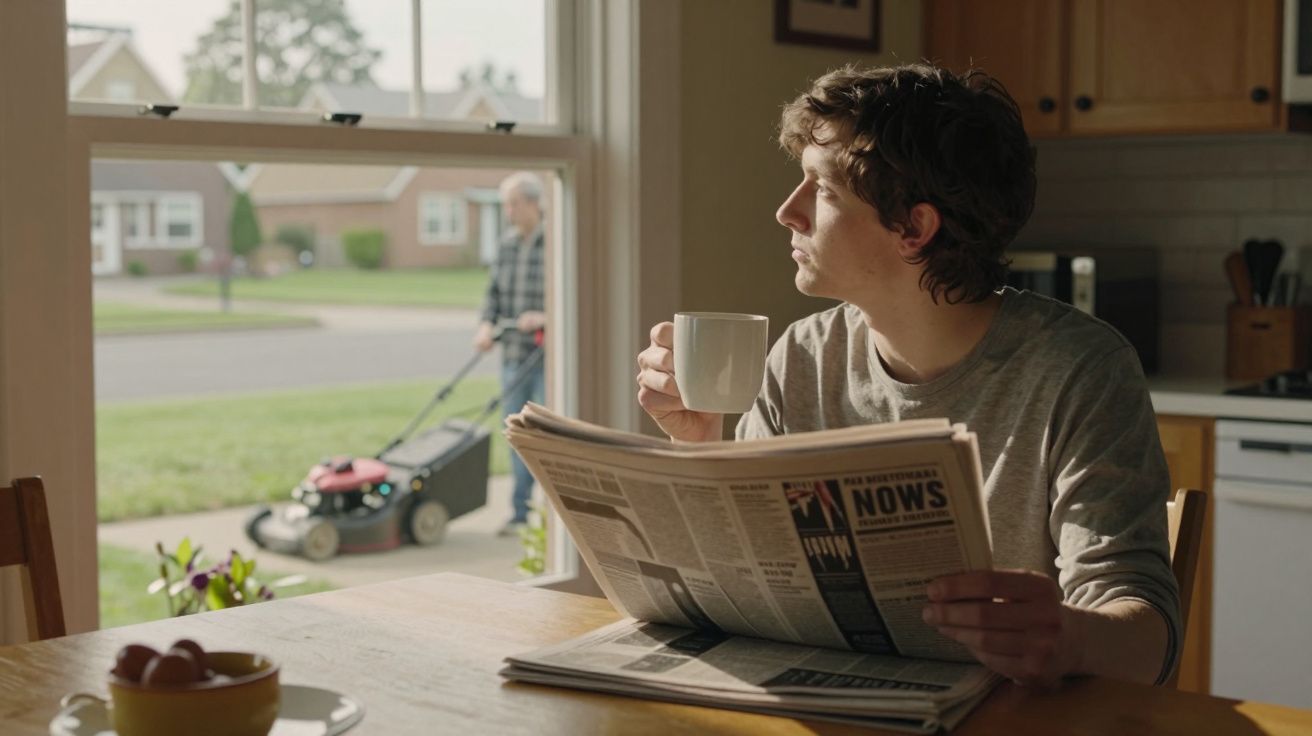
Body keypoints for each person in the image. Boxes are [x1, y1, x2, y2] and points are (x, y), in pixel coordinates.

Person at [635, 64, 1180, 688]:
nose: (788, 211)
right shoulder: (803, 357)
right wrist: (697, 444)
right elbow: (750, 584)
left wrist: (1072, 636)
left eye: (822, 189)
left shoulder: (1080, 370)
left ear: (914, 228)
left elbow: (1148, 638)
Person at [475, 171, 547, 537]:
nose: (508, 211)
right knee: (516, 435)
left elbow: (575, 296)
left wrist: (547, 318)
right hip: (513, 356)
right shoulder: (505, 245)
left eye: (513, 203)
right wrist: (486, 325)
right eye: (506, 204)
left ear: (534, 203)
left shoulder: (555, 243)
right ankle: (519, 514)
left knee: (550, 439)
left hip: (548, 359)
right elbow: (493, 294)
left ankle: (553, 518)